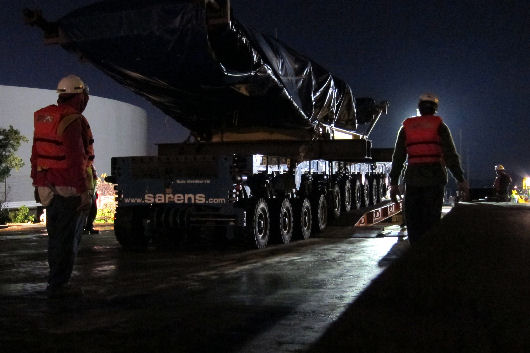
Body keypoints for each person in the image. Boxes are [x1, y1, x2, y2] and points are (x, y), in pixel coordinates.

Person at [30, 74, 95, 297]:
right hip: (70, 190)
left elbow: (35, 155)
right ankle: (59, 285)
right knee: (68, 240)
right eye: (85, 95)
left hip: (47, 188)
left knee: (56, 238)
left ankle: (55, 281)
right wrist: (84, 191)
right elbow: (77, 159)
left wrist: (37, 183)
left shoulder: (46, 118)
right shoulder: (72, 120)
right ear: (79, 96)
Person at [389, 93, 469, 246]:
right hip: (435, 179)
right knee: (431, 221)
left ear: (419, 108)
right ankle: (429, 254)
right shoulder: (440, 127)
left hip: (413, 180)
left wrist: (393, 183)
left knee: (413, 221)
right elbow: (451, 156)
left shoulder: (406, 128)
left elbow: (398, 158)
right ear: (435, 109)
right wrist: (461, 179)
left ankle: (415, 254)